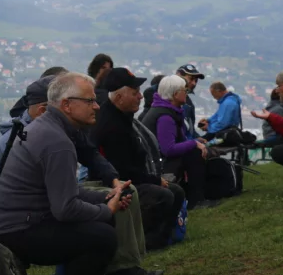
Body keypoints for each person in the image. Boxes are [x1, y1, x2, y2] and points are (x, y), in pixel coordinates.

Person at [0, 75, 155, 275]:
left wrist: (104, 197)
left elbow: (66, 192)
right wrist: (106, 209)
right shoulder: (57, 141)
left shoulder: (54, 129)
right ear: (66, 105)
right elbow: (65, 209)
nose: (96, 106)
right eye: (89, 101)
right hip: (18, 229)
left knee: (101, 227)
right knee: (102, 236)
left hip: (23, 220)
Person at [91, 68, 187, 249]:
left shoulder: (121, 117)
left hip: (131, 178)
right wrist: (155, 180)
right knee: (165, 195)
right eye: (135, 93)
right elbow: (121, 169)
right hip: (115, 183)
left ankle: (159, 238)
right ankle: (145, 241)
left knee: (176, 191)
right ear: (119, 98)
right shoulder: (112, 126)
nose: (141, 97)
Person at [141, 75, 216, 209]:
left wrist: (193, 142)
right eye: (184, 90)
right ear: (175, 94)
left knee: (194, 149)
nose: (186, 93)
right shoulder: (165, 116)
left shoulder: (165, 110)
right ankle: (196, 200)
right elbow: (168, 149)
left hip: (157, 160)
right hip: (159, 164)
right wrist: (193, 144)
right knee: (194, 153)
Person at [176, 63, 206, 138]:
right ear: (178, 76)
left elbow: (190, 130)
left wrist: (198, 138)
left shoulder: (189, 103)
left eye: (196, 80)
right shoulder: (170, 101)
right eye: (191, 79)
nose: (194, 83)